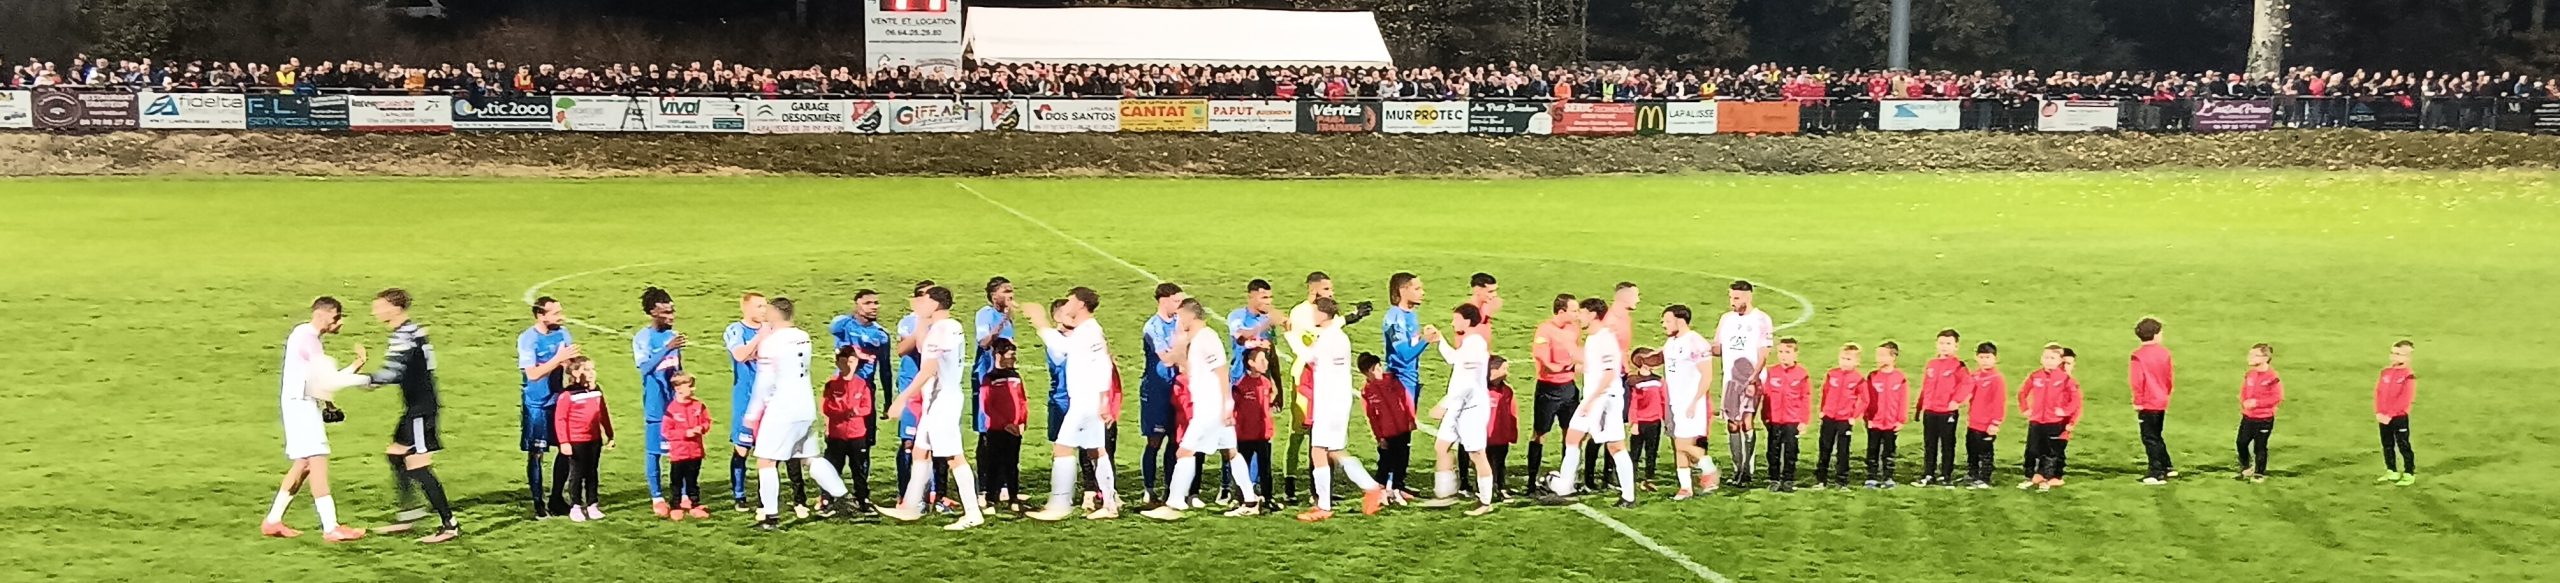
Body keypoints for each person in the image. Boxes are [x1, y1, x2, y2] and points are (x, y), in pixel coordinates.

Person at [739, 297, 858, 531]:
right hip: (804, 405)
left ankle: (770, 517)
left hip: (782, 408)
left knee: (766, 461)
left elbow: (764, 382)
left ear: (775, 314)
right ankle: (845, 498)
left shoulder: (771, 343)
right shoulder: (803, 336)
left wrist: (752, 414)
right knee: (810, 458)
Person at [1141, 299, 1265, 520]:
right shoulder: (1197, 339)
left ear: (1190, 316)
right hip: (1212, 406)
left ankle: (1175, 502)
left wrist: (1226, 405)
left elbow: (1221, 371)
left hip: (1211, 408)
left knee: (1184, 452)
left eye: (1180, 316)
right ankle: (1250, 501)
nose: (1178, 321)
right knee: (1230, 452)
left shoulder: (1207, 339)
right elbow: (1179, 363)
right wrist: (1180, 339)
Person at [880, 286, 988, 530]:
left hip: (942, 401)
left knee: (953, 457)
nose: (919, 303)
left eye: (924, 300)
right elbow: (922, 348)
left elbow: (928, 368)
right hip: (937, 399)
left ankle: (973, 513)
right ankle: (911, 506)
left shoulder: (941, 330)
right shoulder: (948, 326)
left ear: (935, 303)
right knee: (921, 452)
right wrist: (921, 319)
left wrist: (902, 398)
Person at [261, 296, 368, 542]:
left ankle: (273, 521)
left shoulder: (305, 337)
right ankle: (331, 527)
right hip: (302, 405)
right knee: (318, 460)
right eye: (336, 317)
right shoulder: (307, 338)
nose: (339, 322)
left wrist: (354, 368)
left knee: (304, 464)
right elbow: (327, 381)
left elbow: (320, 381)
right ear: (322, 314)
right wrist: (365, 378)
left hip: (300, 403)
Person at [358, 288, 457, 542]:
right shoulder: (413, 331)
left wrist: (364, 379)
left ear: (395, 308)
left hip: (421, 409)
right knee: (395, 454)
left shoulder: (404, 335)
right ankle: (409, 515)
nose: (375, 312)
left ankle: (449, 525)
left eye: (379, 307)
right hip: (414, 406)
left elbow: (395, 371)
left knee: (418, 465)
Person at [1026, 287, 1129, 522]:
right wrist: (1104, 400)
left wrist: (1040, 323)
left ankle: (1059, 504)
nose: (1067, 305)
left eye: (1070, 301)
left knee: (1062, 449)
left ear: (1081, 305)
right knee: (1096, 451)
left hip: (1084, 402)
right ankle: (1110, 504)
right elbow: (1103, 365)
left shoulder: (1087, 332)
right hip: (1090, 400)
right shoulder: (1091, 330)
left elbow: (1063, 348)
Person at [1291, 297, 1389, 522]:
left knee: (1321, 450)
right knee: (1331, 450)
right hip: (1337, 400)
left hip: (1329, 402)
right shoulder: (1337, 337)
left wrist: (1290, 335)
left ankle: (1333, 502)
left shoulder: (1328, 339)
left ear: (1322, 314)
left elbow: (1308, 356)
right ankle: (1362, 491)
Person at [1548, 298, 1636, 507]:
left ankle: (1629, 496)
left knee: (1615, 447)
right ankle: (1565, 487)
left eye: (1582, 312)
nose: (1578, 317)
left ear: (1593, 314)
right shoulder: (1593, 338)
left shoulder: (1606, 339)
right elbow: (1591, 365)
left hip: (1605, 400)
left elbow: (1610, 373)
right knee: (1573, 437)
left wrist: (1592, 400)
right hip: (1592, 399)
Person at [1419, 304, 1498, 515]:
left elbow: (1468, 384)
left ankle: (1486, 502)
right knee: (1441, 446)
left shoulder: (1476, 344)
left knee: (1477, 454)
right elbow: (1454, 359)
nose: (1453, 323)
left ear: (1467, 321)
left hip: (1471, 408)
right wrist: (1440, 340)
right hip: (1458, 406)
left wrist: (1444, 404)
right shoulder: (1469, 344)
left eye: (1456, 319)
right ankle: (1445, 495)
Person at [518, 296, 580, 519]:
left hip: (559, 401)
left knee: (566, 448)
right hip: (537, 404)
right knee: (536, 454)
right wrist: (558, 358)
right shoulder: (528, 339)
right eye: (555, 313)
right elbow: (532, 374)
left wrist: (574, 365)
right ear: (540, 315)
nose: (561, 317)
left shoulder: (563, 333)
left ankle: (556, 498)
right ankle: (538, 503)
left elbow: (569, 364)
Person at [1711, 281, 1774, 488]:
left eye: (1736, 298)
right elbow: (1718, 348)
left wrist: (1753, 379)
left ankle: (1747, 469)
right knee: (1732, 424)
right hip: (1730, 380)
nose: (1732, 302)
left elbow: (1764, 353)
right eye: (1730, 297)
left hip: (1750, 379)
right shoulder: (1726, 319)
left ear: (1748, 297)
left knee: (1747, 421)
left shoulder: (1761, 319)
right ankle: (1737, 467)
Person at [632, 287, 687, 518]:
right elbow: (645, 368)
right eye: (666, 312)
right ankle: (657, 496)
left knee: (681, 451)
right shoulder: (643, 338)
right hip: (656, 404)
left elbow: (678, 367)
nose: (672, 316)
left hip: (676, 405)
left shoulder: (673, 335)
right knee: (654, 452)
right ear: (652, 312)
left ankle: (682, 494)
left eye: (673, 311)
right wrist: (667, 349)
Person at [1659, 305, 1717, 498]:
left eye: (1667, 321)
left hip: (1691, 403)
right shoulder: (1671, 342)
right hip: (1675, 402)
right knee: (1679, 445)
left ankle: (1708, 468)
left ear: (1680, 321)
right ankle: (1686, 488)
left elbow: (1707, 376)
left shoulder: (1696, 342)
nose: (1664, 325)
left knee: (1683, 445)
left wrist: (1694, 402)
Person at [1526, 294, 1581, 496]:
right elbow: (1548, 364)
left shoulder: (1574, 329)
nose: (1577, 315)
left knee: (1571, 435)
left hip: (1569, 388)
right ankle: (1531, 482)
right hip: (1548, 390)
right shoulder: (1545, 330)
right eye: (1574, 311)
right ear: (1561, 311)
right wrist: (1569, 365)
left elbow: (1577, 355)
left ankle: (1568, 479)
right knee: (1540, 434)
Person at [1138, 283, 1187, 506]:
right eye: (1176, 301)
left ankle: (1171, 488)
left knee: (1176, 440)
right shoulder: (1152, 327)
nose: (1180, 306)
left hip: (1178, 389)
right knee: (1155, 441)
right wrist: (1180, 350)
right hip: (1156, 390)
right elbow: (1166, 358)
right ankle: (1149, 489)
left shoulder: (1180, 323)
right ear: (1163, 300)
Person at [1381, 273, 1428, 497]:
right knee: (1396, 435)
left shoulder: (1411, 316)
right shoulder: (1394, 318)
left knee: (1405, 434)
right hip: (1399, 383)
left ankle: (1399, 483)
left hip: (1411, 381)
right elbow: (1404, 354)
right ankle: (1389, 484)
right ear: (1402, 291)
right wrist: (1427, 340)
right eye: (1417, 288)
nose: (1422, 292)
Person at [721, 292, 769, 512]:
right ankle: (739, 496)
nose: (764, 310)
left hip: (769, 399)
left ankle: (764, 495)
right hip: (746, 399)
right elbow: (740, 355)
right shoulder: (736, 330)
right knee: (742, 448)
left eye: (765, 306)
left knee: (767, 450)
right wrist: (760, 338)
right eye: (759, 306)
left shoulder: (772, 329)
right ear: (746, 308)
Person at [552, 357, 613, 522]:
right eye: (587, 370)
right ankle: (576, 506)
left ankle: (592, 504)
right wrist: (564, 442)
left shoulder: (596, 391)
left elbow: (603, 413)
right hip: (576, 441)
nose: (592, 373)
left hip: (594, 439)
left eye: (593, 369)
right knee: (577, 474)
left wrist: (609, 434)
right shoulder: (568, 395)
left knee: (592, 472)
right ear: (575, 373)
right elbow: (560, 419)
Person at [820, 345, 877, 515]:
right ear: (838, 363)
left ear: (856, 362)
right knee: (832, 468)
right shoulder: (832, 384)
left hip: (856, 434)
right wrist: (842, 413)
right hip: (837, 434)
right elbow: (827, 407)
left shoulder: (861, 384)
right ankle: (827, 500)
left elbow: (867, 407)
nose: (848, 365)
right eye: (844, 362)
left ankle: (862, 499)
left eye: (851, 361)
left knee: (858, 469)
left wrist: (854, 412)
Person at [1356, 349, 1417, 506]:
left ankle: (1397, 488)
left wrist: (1411, 418)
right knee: (1385, 463)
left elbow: (1406, 399)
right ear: (1366, 372)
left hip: (1402, 427)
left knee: (1402, 459)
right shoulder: (1367, 391)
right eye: (1374, 369)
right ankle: (1381, 492)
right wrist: (1380, 437)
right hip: (1387, 433)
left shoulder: (1392, 381)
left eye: (1379, 367)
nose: (1379, 371)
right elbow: (1372, 417)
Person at [2018, 344, 2078, 491]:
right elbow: (2022, 392)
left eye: (2052, 358)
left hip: (2053, 422)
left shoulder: (2064, 379)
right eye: (2046, 357)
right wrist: (2025, 408)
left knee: (2050, 452)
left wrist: (2065, 412)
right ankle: (2029, 476)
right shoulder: (2035, 376)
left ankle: (2047, 479)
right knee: (2031, 450)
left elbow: (2075, 399)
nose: (2048, 361)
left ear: (2059, 361)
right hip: (2036, 420)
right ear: (2041, 359)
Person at [980, 339, 1029, 512]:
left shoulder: (1015, 377)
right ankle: (991, 499)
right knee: (994, 464)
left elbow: (1022, 401)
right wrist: (1004, 424)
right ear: (998, 355)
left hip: (1015, 429)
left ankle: (1013, 497)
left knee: (1012, 464)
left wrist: (1022, 422)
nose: (1013, 359)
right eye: (1010, 355)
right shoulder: (990, 378)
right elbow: (987, 405)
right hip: (997, 429)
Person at [1916, 329, 1969, 487]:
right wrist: (1919, 407)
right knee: (1929, 444)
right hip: (1930, 410)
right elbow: (1925, 386)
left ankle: (1946, 475)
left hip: (1947, 412)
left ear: (1956, 346)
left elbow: (1967, 384)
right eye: (1941, 343)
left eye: (1948, 343)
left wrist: (1956, 401)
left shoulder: (1958, 366)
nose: (1944, 346)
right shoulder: (1931, 364)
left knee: (1947, 444)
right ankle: (1928, 474)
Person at [1759, 338, 1812, 493]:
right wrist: (1765, 416)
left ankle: (1788, 479)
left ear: (1795, 354)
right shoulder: (1771, 372)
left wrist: (1803, 420)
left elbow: (1805, 398)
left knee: (1791, 450)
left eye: (1787, 352)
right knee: (1772, 450)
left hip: (1792, 419)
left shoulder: (1801, 374)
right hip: (1774, 419)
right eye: (1780, 352)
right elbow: (1766, 395)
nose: (1783, 355)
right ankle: (1774, 479)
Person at [2130, 317, 2177, 485]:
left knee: (2149, 437)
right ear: (2156, 334)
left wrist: (2138, 400)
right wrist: (2166, 393)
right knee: (2157, 434)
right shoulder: (2164, 353)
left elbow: (2137, 380)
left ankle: (2156, 472)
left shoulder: (2138, 356)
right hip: (2161, 399)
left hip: (2148, 402)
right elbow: (2169, 378)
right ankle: (2167, 466)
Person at [661, 373, 714, 520]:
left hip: (695, 452)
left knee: (693, 480)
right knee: (676, 481)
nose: (693, 389)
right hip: (679, 453)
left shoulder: (698, 406)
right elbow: (666, 431)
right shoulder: (671, 409)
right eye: (689, 386)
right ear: (678, 389)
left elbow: (707, 421)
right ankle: (675, 505)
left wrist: (701, 428)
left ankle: (694, 504)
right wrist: (685, 433)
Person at [1235, 347, 1281, 512]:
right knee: (1243, 466)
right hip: (1245, 435)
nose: (1266, 363)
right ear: (1251, 363)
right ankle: (1241, 497)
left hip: (1263, 434)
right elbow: (1236, 408)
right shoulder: (1241, 385)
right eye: (1262, 360)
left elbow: (1267, 404)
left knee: (1265, 468)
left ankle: (1268, 498)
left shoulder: (1266, 383)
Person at [1814, 343, 1865, 489]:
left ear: (1857, 362)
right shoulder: (1832, 374)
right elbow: (1825, 392)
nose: (1844, 362)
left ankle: (1841, 481)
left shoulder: (1858, 379)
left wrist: (1854, 417)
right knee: (1824, 448)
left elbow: (1864, 400)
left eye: (1848, 359)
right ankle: (1821, 480)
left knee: (1843, 451)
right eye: (1842, 358)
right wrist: (1823, 410)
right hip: (1829, 417)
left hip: (1844, 420)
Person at [1862, 341, 1910, 489]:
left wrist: (1901, 420)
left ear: (1893, 357)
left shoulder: (1900, 377)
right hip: (1874, 421)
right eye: (1878, 355)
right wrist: (1868, 418)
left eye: (1882, 355)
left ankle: (1888, 477)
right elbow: (1866, 399)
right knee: (1873, 450)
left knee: (1889, 450)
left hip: (1891, 422)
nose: (1878, 358)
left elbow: (1903, 400)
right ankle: (1871, 476)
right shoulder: (1872, 376)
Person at [2236, 343, 2284, 484]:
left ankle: (2259, 473)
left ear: (2265, 358)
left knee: (2260, 446)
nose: (2249, 358)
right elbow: (2244, 391)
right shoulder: (2250, 374)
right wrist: (2244, 402)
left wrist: (2257, 403)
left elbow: (2277, 397)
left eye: (2254, 355)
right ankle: (2246, 466)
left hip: (2264, 418)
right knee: (2241, 443)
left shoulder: (2272, 377)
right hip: (2248, 417)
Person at [1964, 342, 2008, 489]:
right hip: (1973, 422)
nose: (1984, 360)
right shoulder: (1975, 376)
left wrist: (1995, 422)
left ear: (1995, 358)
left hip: (1987, 424)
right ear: (1976, 357)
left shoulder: (1997, 378)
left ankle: (1984, 478)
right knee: (1972, 450)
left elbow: (1999, 402)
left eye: (1988, 357)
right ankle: (1972, 474)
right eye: (1982, 357)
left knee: (1985, 452)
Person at [2375, 340, 2418, 486]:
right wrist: (2379, 412)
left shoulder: (2408, 375)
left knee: (2403, 444)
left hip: (2398, 417)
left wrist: (2390, 414)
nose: (2394, 356)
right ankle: (2391, 470)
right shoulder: (2385, 373)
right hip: (2383, 416)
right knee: (2387, 444)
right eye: (2393, 353)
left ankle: (2409, 473)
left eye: (2398, 354)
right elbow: (2379, 393)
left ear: (2407, 357)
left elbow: (2405, 399)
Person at [1625, 348, 1667, 493]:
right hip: (1641, 421)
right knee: (1635, 452)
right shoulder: (1634, 381)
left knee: (1652, 450)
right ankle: (1631, 477)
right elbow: (1633, 403)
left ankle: (1649, 477)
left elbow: (1663, 400)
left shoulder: (1658, 381)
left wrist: (1665, 419)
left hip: (1654, 422)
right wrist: (1634, 422)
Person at [1484, 355, 1520, 500]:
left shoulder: (1507, 391)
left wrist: (1513, 433)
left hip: (1501, 436)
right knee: (1487, 464)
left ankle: (1500, 486)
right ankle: (1487, 489)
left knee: (1500, 463)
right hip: (1485, 436)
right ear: (1492, 370)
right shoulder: (1481, 390)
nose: (1507, 372)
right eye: (1504, 369)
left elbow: (1512, 412)